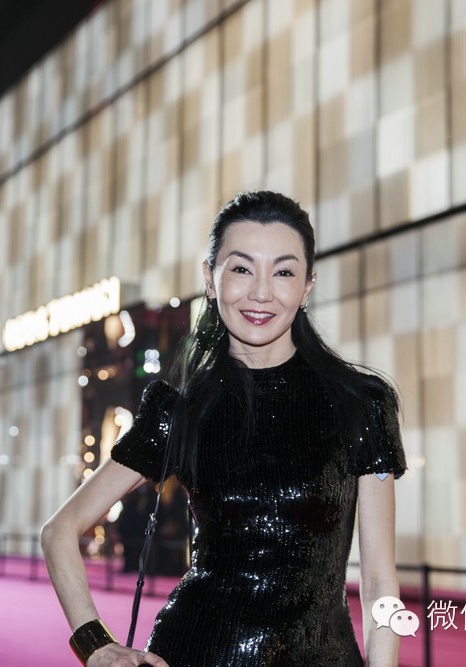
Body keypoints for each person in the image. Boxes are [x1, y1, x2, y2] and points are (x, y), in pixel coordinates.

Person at [41, 190, 407, 667]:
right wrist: (95, 646)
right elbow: (60, 530)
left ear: (307, 287)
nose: (261, 293)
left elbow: (379, 582)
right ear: (210, 280)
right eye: (241, 269)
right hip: (195, 652)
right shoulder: (181, 410)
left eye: (283, 272)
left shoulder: (361, 404)